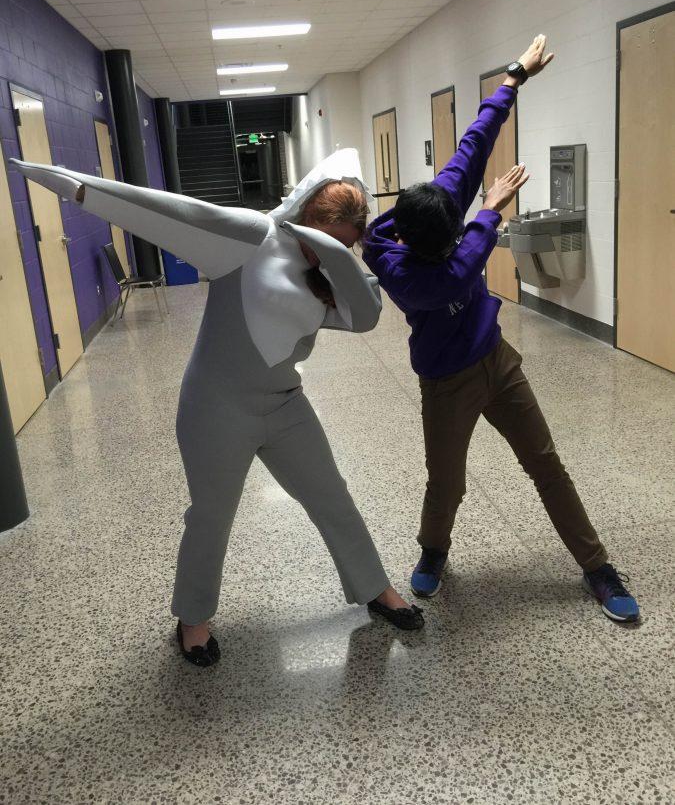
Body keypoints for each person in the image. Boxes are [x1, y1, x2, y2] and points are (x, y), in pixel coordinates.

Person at [12, 148, 424, 669]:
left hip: (285, 405)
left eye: (343, 244)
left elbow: (364, 318)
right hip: (216, 408)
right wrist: (65, 181)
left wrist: (337, 255)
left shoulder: (334, 270)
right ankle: (193, 617)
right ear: (303, 219)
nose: (327, 256)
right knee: (211, 516)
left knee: (332, 498)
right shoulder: (251, 238)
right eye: (324, 241)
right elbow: (163, 209)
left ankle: (374, 587)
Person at [362, 35, 639, 624]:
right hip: (446, 381)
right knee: (447, 482)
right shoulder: (406, 275)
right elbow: (463, 266)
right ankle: (434, 553)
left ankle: (596, 565)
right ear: (409, 244)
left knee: (546, 465)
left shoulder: (436, 202)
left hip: (497, 360)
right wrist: (489, 212)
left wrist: (515, 76)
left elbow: (474, 141)